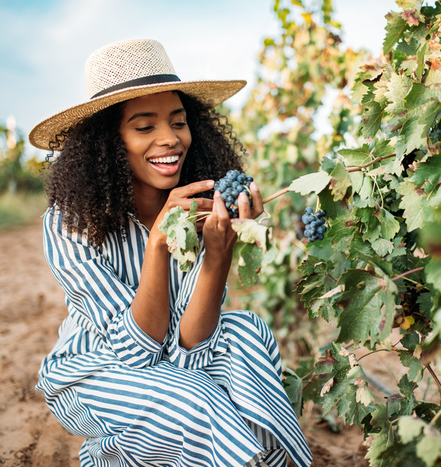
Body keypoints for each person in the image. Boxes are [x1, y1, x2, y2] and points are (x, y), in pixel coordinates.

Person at [29, 38, 313, 467]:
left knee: (247, 334)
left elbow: (191, 348)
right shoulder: (71, 222)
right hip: (94, 373)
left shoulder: (200, 211)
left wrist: (219, 256)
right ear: (108, 141)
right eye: (145, 127)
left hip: (176, 359)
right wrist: (158, 245)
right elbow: (138, 352)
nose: (170, 139)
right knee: (197, 401)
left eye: (178, 122)